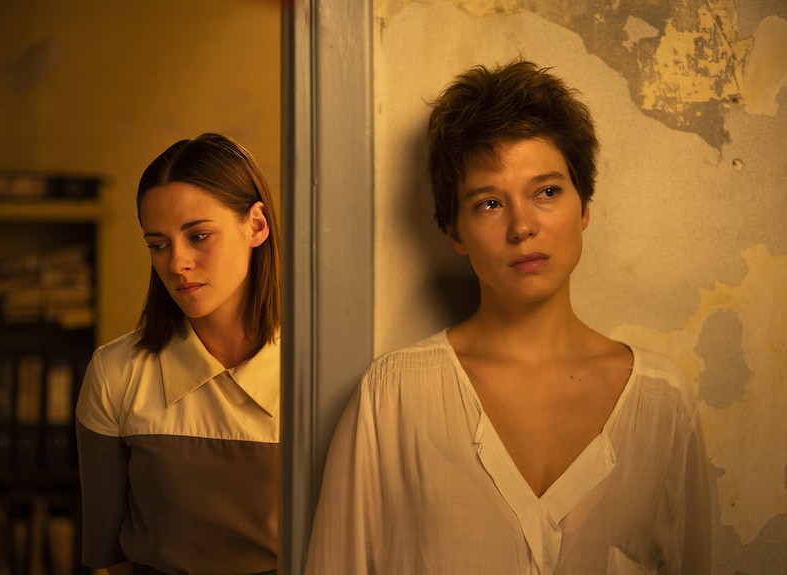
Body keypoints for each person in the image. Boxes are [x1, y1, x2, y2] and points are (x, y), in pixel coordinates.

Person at [305, 59, 711, 574]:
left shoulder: (662, 403)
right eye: (490, 203)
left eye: (546, 192)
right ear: (455, 232)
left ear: (583, 207)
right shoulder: (393, 397)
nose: (523, 226)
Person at [75, 133, 281, 575]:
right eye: (158, 244)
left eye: (199, 235)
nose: (177, 263)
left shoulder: (320, 375)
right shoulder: (116, 374)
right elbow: (109, 555)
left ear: (257, 226)